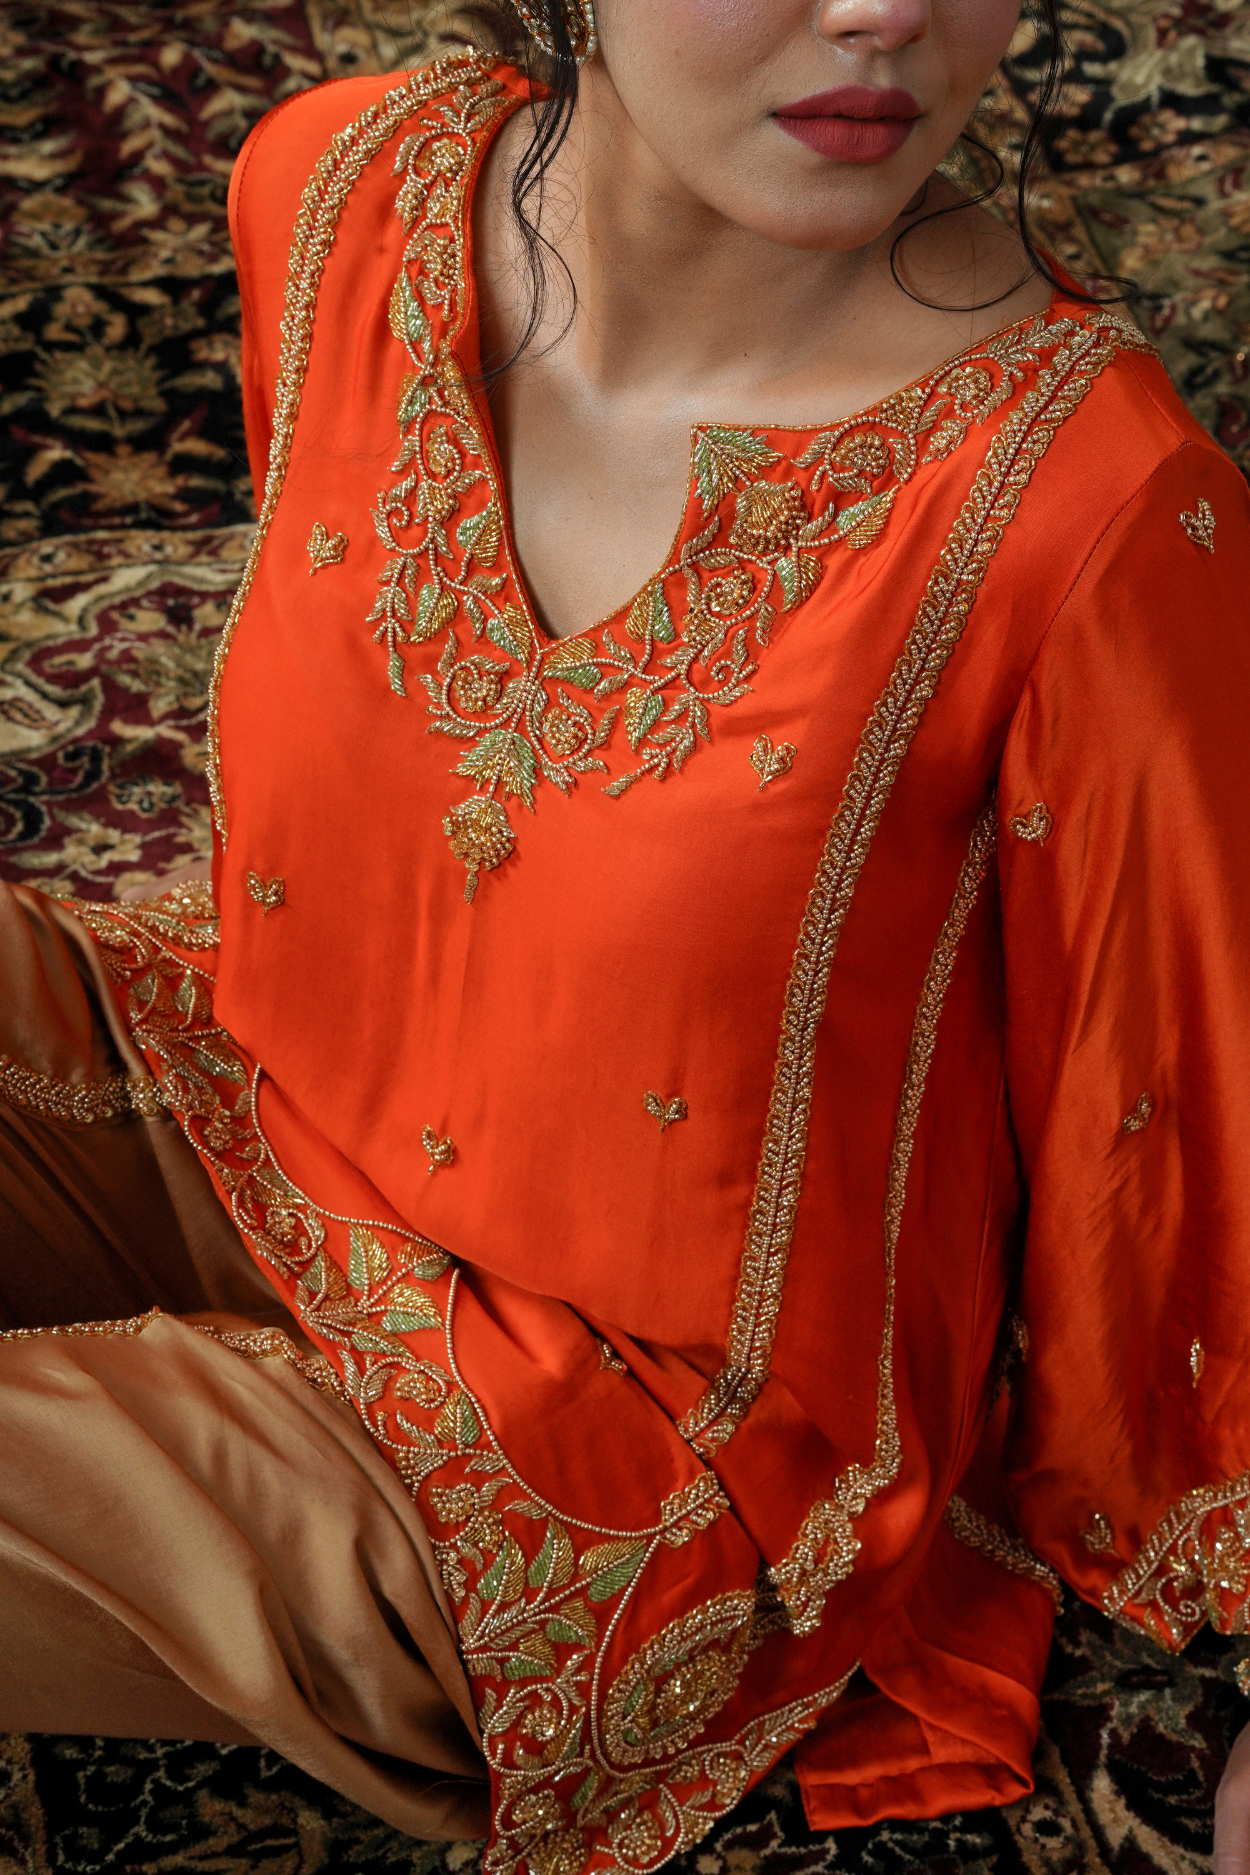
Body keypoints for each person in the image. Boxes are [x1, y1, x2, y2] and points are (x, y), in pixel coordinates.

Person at [2, 1, 1249, 1869]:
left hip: (612, 1453)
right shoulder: (337, 190)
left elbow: (1197, 1111)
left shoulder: (1088, 506)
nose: (883, 11)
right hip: (231, 1088)